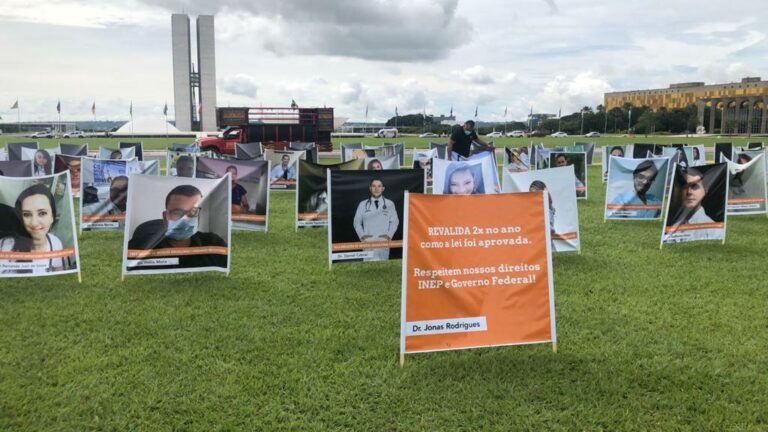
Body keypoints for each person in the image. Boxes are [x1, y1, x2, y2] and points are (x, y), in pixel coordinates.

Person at [127, 184, 228, 269]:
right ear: (165, 216)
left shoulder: (214, 244)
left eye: (193, 212)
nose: (185, 219)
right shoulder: (142, 245)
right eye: (178, 212)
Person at [0, 183, 67, 274]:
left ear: (52, 217)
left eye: (42, 213)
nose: (34, 223)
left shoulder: (56, 243)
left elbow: (59, 272)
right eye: (27, 214)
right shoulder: (5, 246)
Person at [353, 178, 398, 261]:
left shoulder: (389, 204)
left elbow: (395, 222)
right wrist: (363, 236)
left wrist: (388, 236)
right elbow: (356, 222)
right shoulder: (362, 204)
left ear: (383, 188)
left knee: (383, 267)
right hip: (368, 242)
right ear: (370, 188)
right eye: (373, 186)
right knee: (368, 268)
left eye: (379, 186)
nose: (376, 189)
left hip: (383, 241)